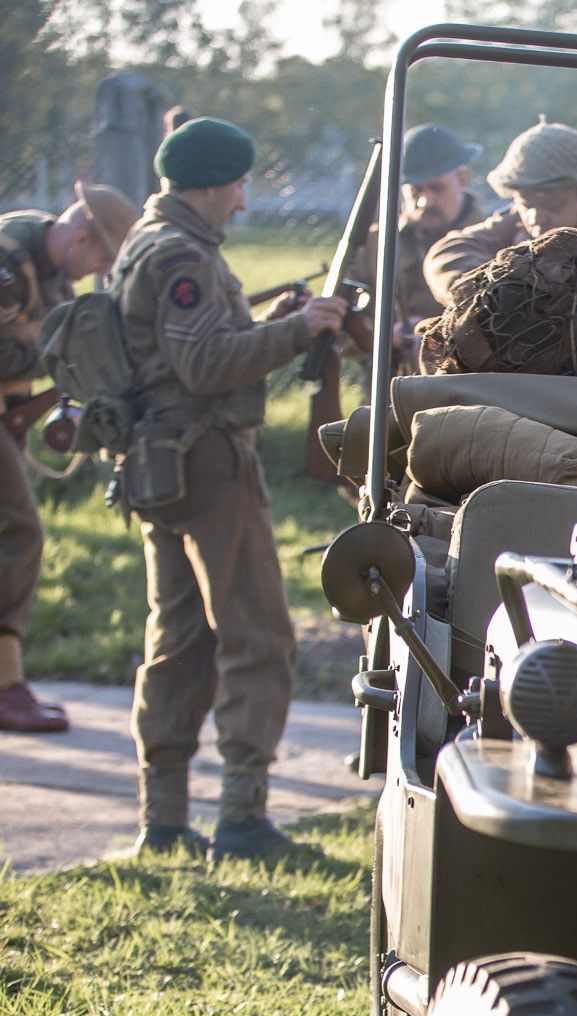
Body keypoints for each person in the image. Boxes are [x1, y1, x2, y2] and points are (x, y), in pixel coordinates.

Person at [112, 117, 347, 860]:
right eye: (240, 187)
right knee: (258, 633)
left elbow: (191, 349)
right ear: (213, 185)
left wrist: (275, 324)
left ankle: (165, 818)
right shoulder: (183, 255)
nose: (244, 204)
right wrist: (301, 328)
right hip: (207, 460)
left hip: (160, 461)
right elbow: (207, 367)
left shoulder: (145, 243)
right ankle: (242, 817)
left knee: (177, 637)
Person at [0, 182, 139, 732]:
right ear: (81, 235)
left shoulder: (41, 254)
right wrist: (65, 345)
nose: (95, 272)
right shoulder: (9, 261)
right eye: (101, 259)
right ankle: (6, 686)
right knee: (20, 532)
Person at [423, 118, 577, 308]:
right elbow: (448, 253)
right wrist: (493, 289)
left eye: (552, 205)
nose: (535, 218)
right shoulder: (519, 219)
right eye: (525, 204)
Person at [342, 123, 486, 368]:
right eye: (416, 190)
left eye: (437, 188)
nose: (426, 201)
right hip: (386, 395)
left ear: (462, 178)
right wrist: (385, 336)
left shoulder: (492, 243)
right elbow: (336, 330)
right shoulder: (374, 244)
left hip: (468, 396)